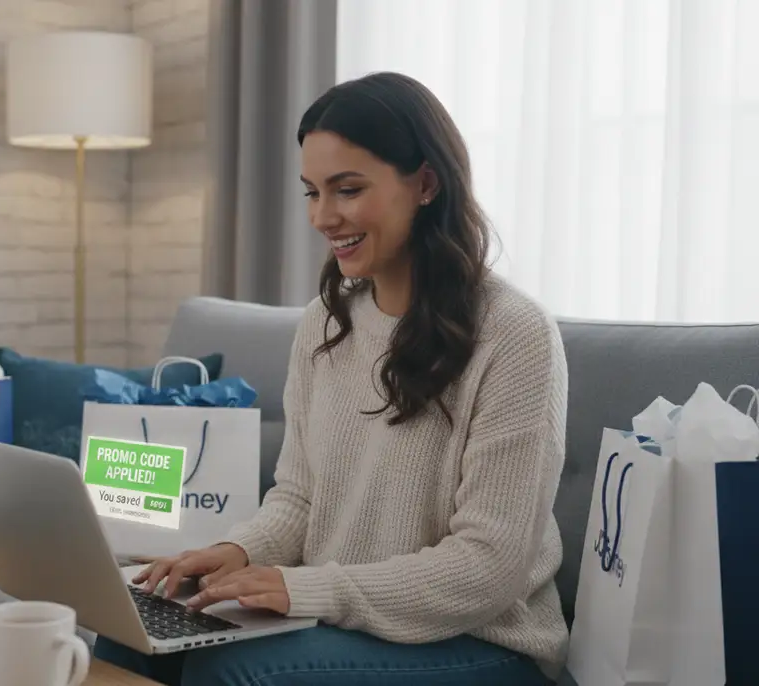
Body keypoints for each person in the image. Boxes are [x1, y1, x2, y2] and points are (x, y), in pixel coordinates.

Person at [93, 71, 570, 685]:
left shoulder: (515, 335)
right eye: (311, 192)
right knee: (133, 626)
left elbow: (488, 567)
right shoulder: (327, 322)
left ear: (425, 183)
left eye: (346, 190)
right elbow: (298, 497)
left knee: (235, 671)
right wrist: (238, 552)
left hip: (484, 643)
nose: (322, 216)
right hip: (346, 619)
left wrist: (309, 589)